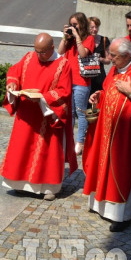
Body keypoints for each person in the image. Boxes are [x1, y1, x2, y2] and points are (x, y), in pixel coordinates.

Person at [83, 38, 131, 232]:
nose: (110, 59)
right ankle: (101, 205)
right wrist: (99, 94)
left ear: (126, 56)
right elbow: (109, 88)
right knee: (104, 167)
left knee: (122, 172)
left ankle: (123, 215)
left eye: (114, 56)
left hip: (129, 136)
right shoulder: (117, 68)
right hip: (107, 130)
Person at [0, 33, 78, 200]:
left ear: (52, 48)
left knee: (48, 151)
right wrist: (12, 83)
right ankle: (19, 183)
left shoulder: (63, 65)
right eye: (37, 51)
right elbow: (15, 71)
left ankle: (49, 187)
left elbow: (64, 92)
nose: (39, 56)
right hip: (27, 115)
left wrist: (43, 98)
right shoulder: (29, 57)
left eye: (43, 52)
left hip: (47, 115)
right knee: (22, 148)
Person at [57, 12, 95, 156]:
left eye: (75, 25)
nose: (73, 27)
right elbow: (60, 52)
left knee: (81, 112)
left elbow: (83, 54)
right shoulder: (70, 40)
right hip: (68, 81)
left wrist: (77, 37)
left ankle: (80, 141)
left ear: (82, 25)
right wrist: (65, 38)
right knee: (70, 113)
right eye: (71, 24)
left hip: (81, 82)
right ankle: (69, 141)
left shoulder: (89, 39)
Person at [88, 16, 111, 100]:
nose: (95, 29)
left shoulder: (103, 40)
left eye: (96, 27)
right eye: (92, 27)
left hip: (99, 75)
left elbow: (108, 60)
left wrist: (99, 59)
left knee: (99, 99)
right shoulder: (84, 40)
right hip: (87, 75)